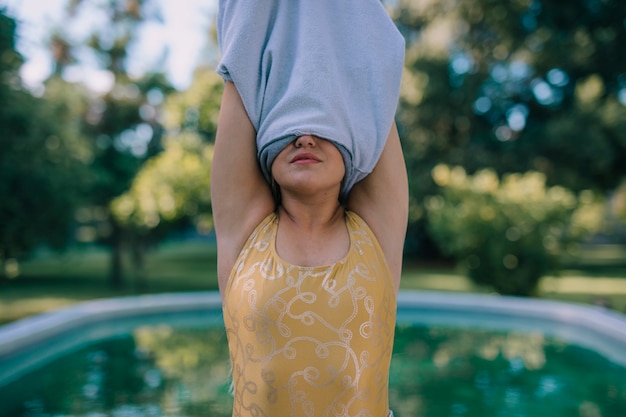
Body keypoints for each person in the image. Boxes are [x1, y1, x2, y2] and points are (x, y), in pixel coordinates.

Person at [211, 2, 407, 416]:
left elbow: (374, 87)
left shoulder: (377, 234)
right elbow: (242, 65)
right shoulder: (244, 233)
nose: (304, 137)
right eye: (288, 129)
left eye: (324, 127)